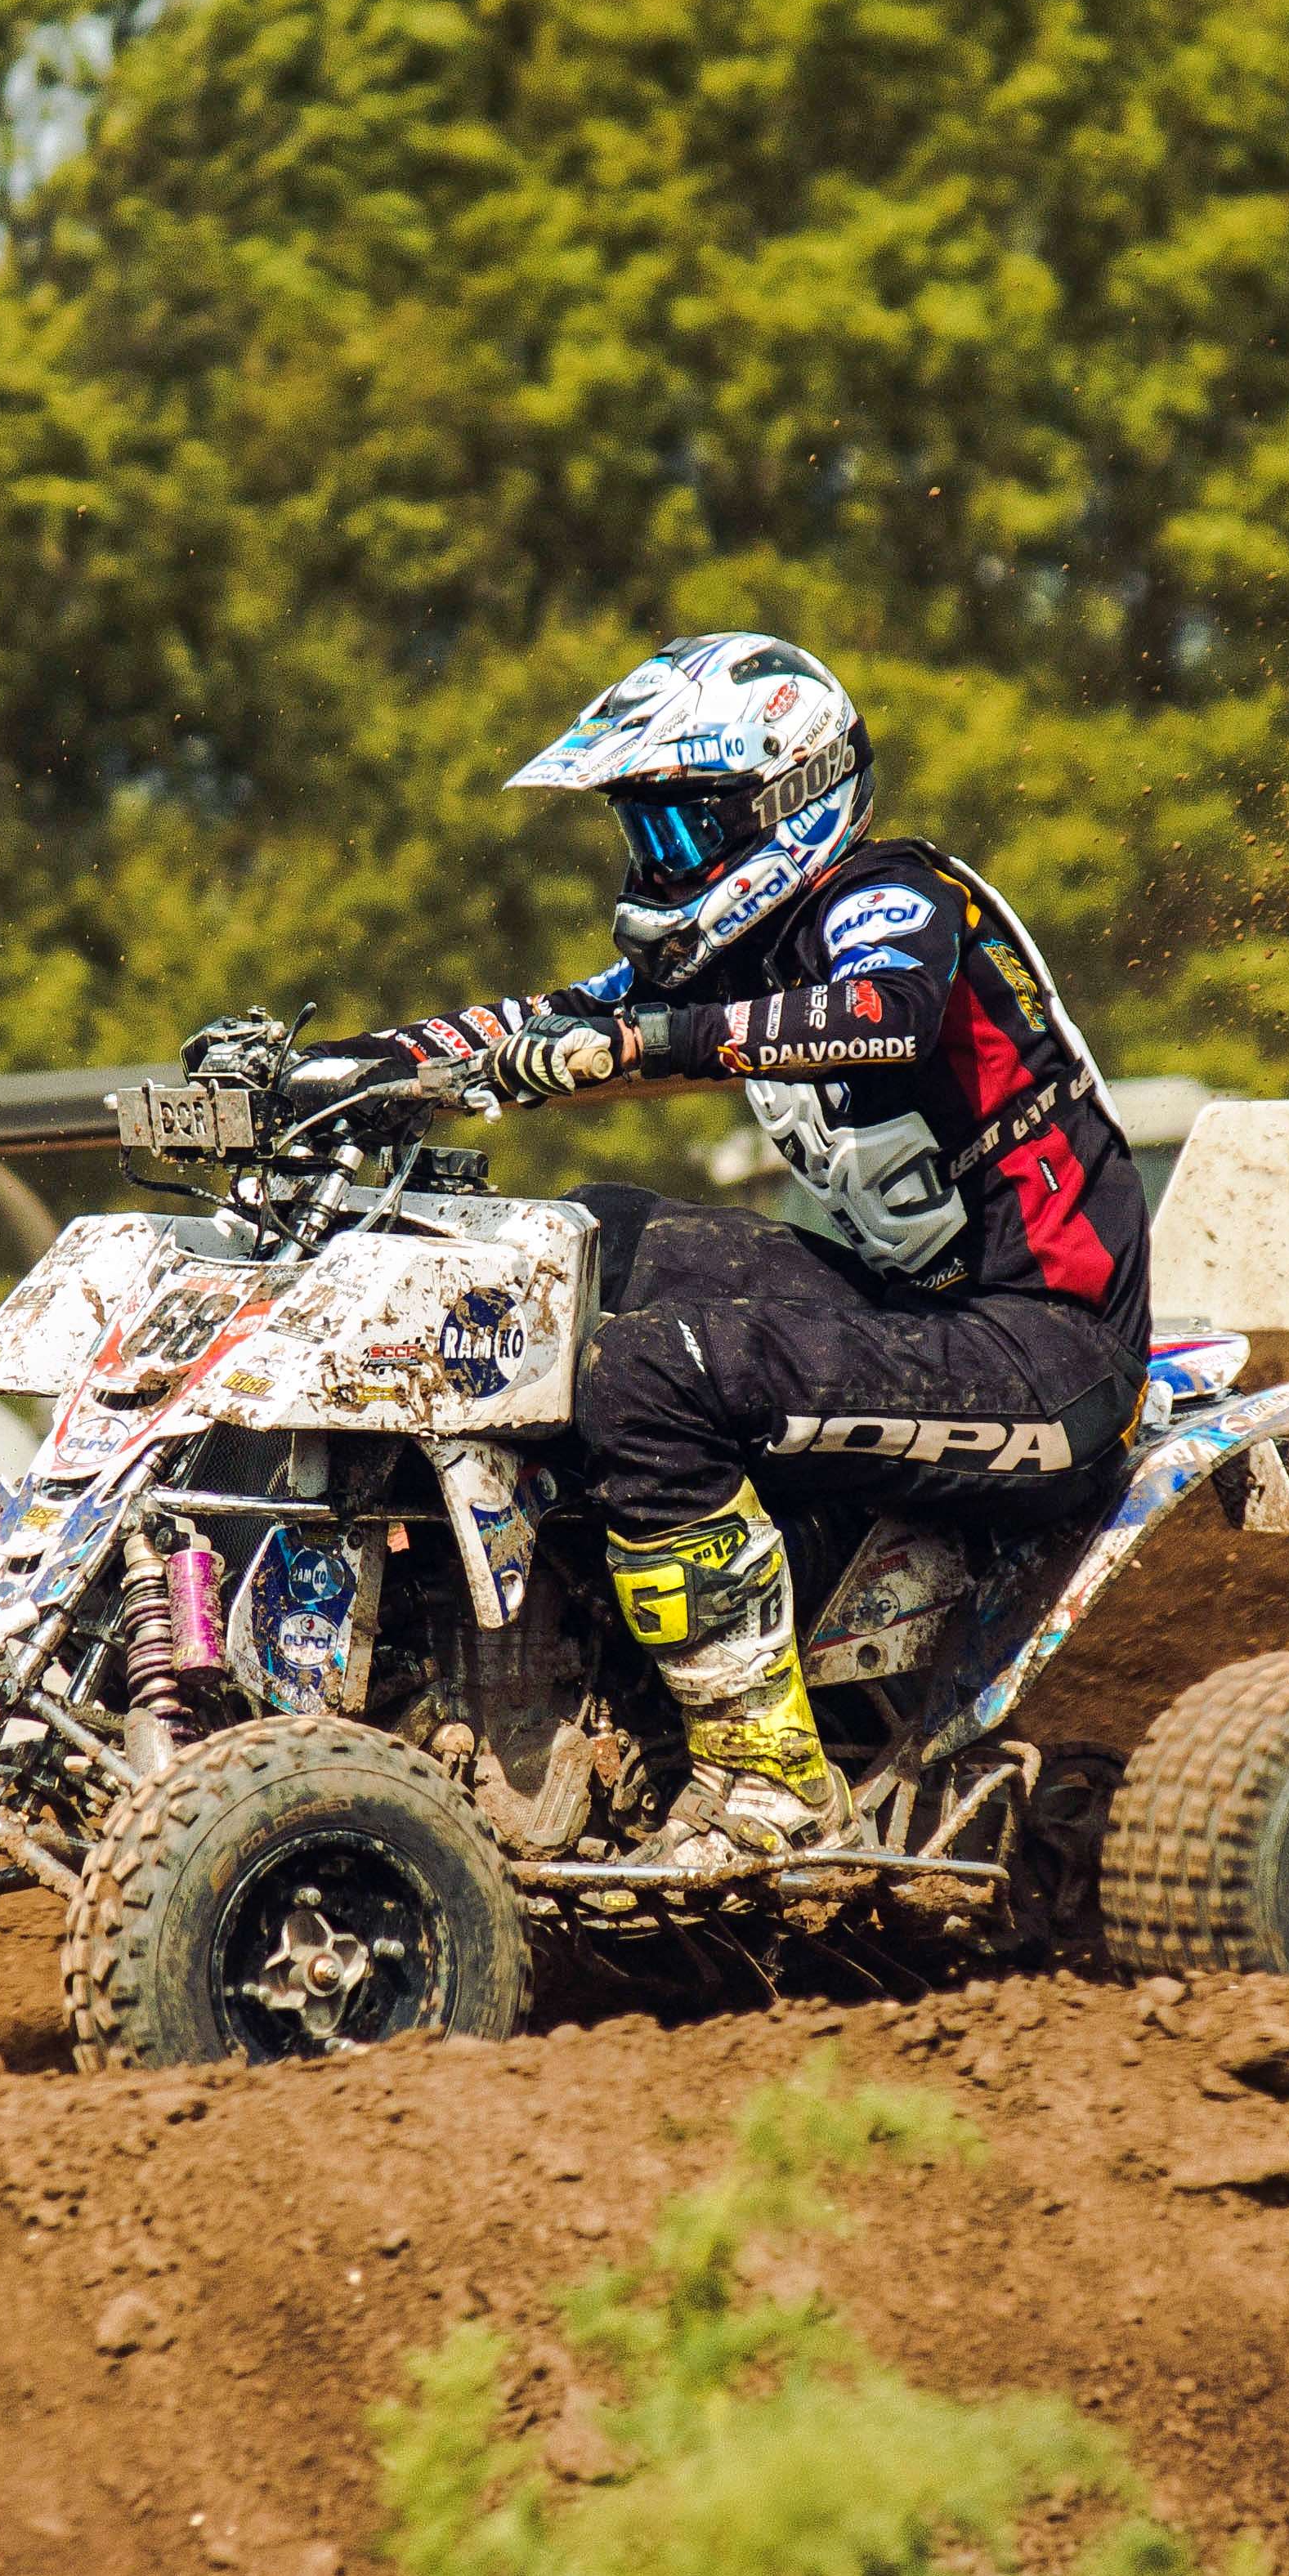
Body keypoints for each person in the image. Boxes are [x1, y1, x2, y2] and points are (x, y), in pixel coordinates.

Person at [331, 633, 1152, 1873]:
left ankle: (771, 1777)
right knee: (577, 1240)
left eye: (680, 830)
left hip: (1052, 1352)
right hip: (922, 1315)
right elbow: (534, 1020)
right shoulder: (737, 954)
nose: (657, 864)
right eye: (641, 835)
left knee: (647, 1372)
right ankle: (509, 1655)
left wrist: (639, 1045)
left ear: (788, 804)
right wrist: (337, 1071)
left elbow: (880, 1015)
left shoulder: (895, 896)